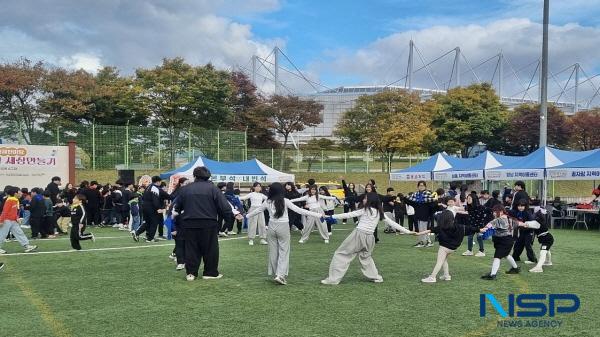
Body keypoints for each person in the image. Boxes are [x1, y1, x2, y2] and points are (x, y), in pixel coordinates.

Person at [321, 193, 414, 285]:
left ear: (370, 200)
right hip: (370, 238)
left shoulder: (366, 210)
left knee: (341, 254)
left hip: (358, 235)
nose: (363, 200)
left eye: (365, 199)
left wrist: (332, 216)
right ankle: (375, 277)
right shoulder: (379, 212)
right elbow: (392, 223)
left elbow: (349, 214)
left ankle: (333, 280)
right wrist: (409, 232)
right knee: (366, 257)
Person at [246, 183, 322, 285]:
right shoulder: (285, 201)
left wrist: (245, 216)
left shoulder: (267, 201)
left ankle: (275, 273)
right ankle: (280, 275)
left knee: (273, 251)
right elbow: (299, 210)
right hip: (283, 227)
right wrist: (318, 214)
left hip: (271, 227)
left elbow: (257, 210)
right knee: (284, 251)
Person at [173, 166, 235, 281]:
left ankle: (191, 273)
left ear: (194, 176)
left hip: (189, 223)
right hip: (208, 223)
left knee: (191, 248)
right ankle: (210, 273)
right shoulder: (213, 189)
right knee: (210, 249)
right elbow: (224, 207)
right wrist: (228, 220)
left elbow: (177, 208)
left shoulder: (185, 189)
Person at [417, 205, 480, 283]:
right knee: (444, 260)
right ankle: (447, 276)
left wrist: (418, 233)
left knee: (439, 262)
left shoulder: (440, 227)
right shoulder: (459, 226)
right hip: (453, 248)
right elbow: (470, 228)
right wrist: (480, 229)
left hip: (444, 248)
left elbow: (429, 230)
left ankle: (432, 277)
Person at [479, 205, 520, 280]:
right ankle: (516, 268)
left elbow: (487, 227)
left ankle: (492, 275)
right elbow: (519, 224)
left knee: (497, 257)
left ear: (501, 211)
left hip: (503, 241)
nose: (494, 213)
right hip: (508, 240)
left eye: (495, 212)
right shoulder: (510, 218)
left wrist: (480, 231)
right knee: (506, 255)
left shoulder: (497, 220)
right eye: (493, 212)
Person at [0, 186, 38, 254]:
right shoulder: (9, 200)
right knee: (2, 234)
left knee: (19, 233)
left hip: (13, 221)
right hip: (6, 220)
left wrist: (17, 218)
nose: (21, 193)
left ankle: (27, 246)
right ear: (15, 193)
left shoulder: (15, 200)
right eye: (19, 191)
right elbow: (4, 211)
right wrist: (1, 221)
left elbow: (15, 211)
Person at [133, 176, 168, 243]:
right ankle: (150, 237)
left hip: (147, 208)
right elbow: (156, 201)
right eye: (164, 187)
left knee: (148, 222)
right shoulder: (156, 189)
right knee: (154, 222)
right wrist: (159, 208)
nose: (165, 188)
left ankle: (141, 234)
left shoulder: (149, 188)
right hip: (153, 209)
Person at [520, 207, 554, 273]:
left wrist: (518, 222)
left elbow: (526, 224)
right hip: (546, 238)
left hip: (547, 239)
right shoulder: (541, 220)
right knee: (547, 250)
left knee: (543, 252)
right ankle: (548, 262)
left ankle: (539, 267)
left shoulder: (537, 222)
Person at [403, 181, 435, 248]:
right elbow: (410, 200)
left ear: (425, 186)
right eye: (420, 185)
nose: (421, 187)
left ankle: (423, 242)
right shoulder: (415, 195)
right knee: (420, 229)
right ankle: (426, 242)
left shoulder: (428, 194)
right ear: (418, 187)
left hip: (425, 215)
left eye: (423, 185)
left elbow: (432, 204)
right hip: (418, 214)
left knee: (423, 229)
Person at [461, 192, 490, 257]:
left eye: (469, 198)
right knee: (470, 237)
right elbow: (461, 209)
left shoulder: (480, 207)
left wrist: (486, 221)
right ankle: (469, 251)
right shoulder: (469, 207)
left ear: (473, 199)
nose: (467, 200)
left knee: (479, 237)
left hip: (480, 225)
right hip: (472, 225)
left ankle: (481, 251)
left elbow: (489, 211)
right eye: (467, 198)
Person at [510, 199, 537, 264]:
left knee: (528, 245)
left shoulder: (528, 212)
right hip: (522, 231)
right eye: (519, 206)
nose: (520, 207)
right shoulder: (517, 212)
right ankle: (515, 257)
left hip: (529, 231)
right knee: (518, 244)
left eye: (522, 206)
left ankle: (532, 259)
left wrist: (526, 225)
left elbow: (532, 222)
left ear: (525, 206)